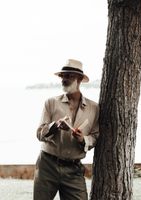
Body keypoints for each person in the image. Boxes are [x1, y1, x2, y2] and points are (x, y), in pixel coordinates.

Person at [33, 59, 99, 200]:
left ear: (79, 79)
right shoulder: (51, 103)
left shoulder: (94, 108)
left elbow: (95, 136)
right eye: (63, 76)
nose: (64, 79)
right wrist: (54, 126)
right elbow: (39, 134)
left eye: (69, 76)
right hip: (47, 165)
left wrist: (83, 139)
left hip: (74, 170)